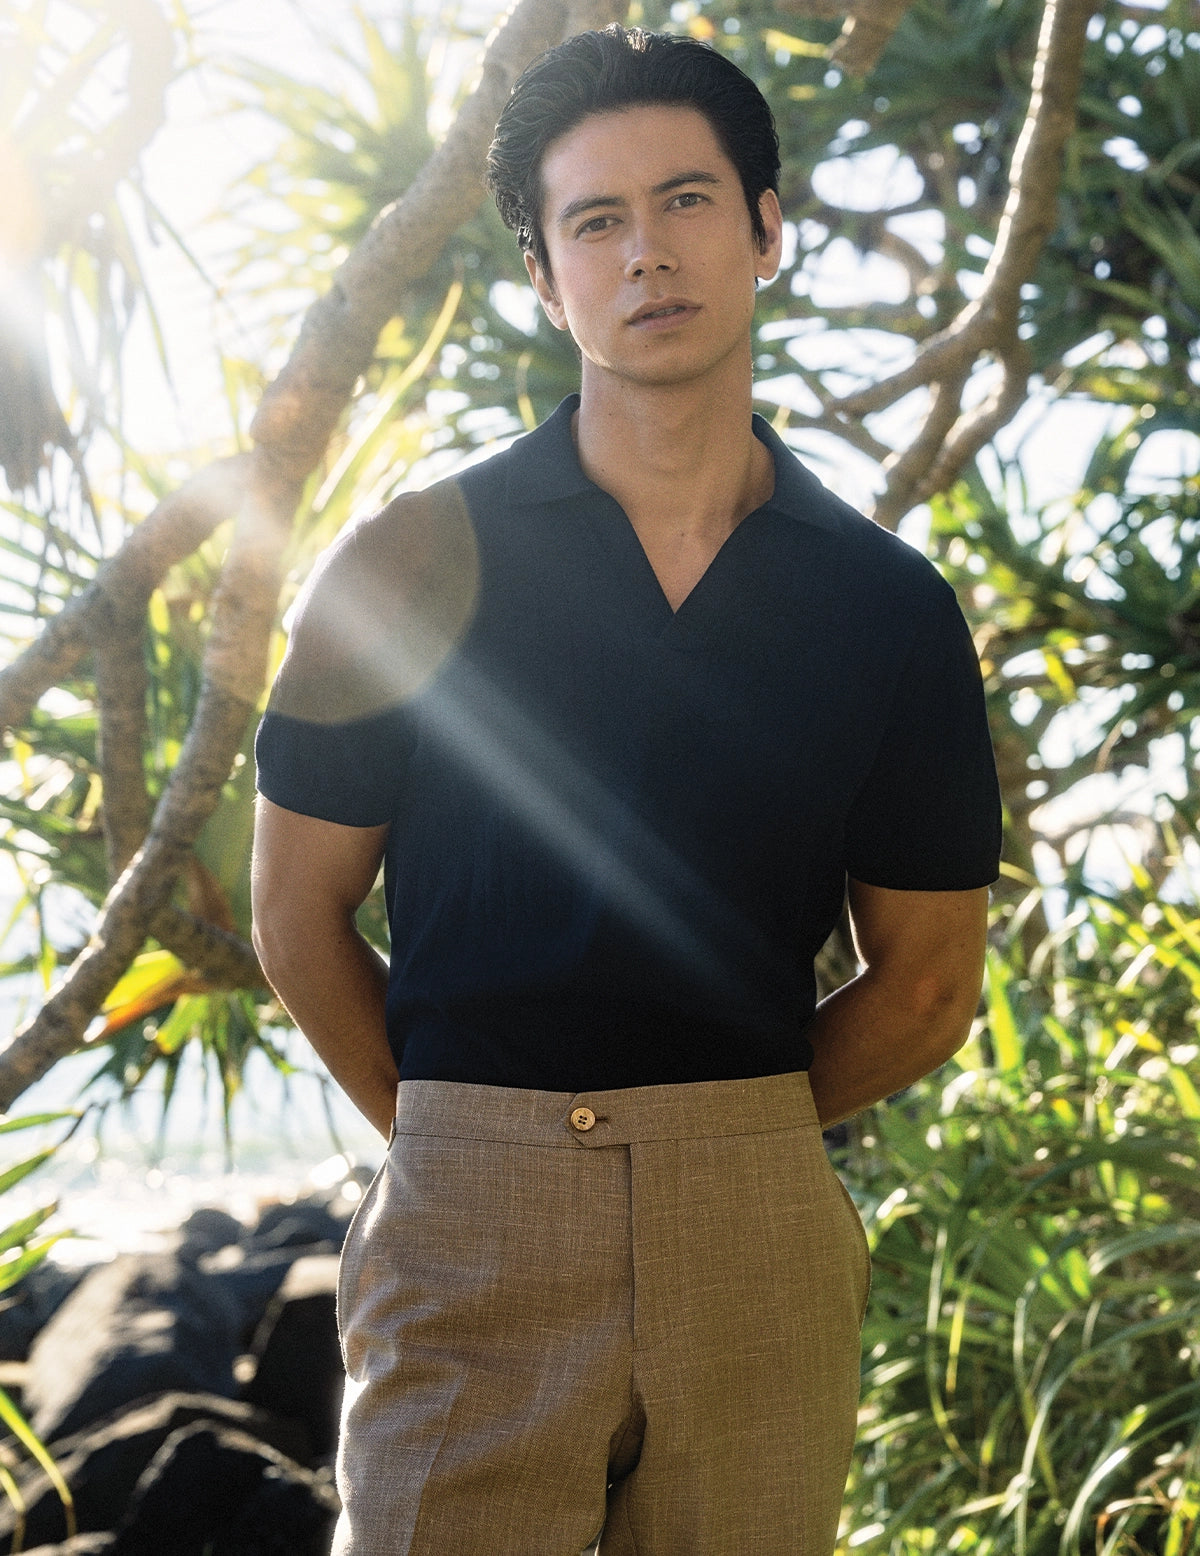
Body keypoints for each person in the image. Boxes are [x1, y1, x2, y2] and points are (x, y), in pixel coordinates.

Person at [251, 24, 1002, 1556]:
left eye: (687, 201)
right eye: (596, 222)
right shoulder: (407, 560)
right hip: (470, 1211)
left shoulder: (889, 607)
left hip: (756, 1227)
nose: (646, 253)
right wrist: (464, 1142)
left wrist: (722, 1138)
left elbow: (925, 984)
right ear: (545, 278)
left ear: (767, 228)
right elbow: (294, 912)